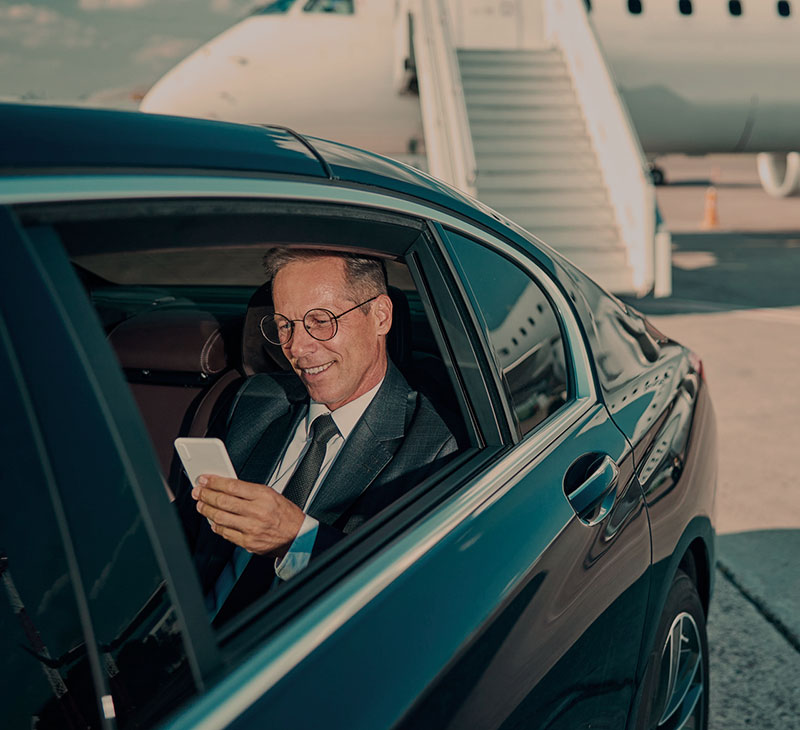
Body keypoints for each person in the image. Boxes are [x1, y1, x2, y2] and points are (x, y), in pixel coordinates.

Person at [179, 249, 457, 623]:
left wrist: (296, 539)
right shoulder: (256, 400)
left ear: (380, 316)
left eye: (320, 321)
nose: (296, 347)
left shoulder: (433, 444)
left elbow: (410, 598)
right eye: (284, 325)